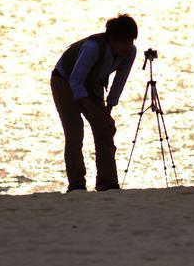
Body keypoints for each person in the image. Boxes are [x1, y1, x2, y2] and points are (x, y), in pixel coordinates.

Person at [50, 14, 138, 192]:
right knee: (75, 132)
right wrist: (94, 111)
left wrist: (108, 110)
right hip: (64, 81)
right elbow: (75, 81)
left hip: (93, 85)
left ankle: (107, 183)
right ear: (111, 39)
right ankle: (76, 185)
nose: (127, 47)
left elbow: (119, 81)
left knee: (105, 128)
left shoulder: (130, 52)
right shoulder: (92, 47)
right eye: (123, 42)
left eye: (130, 41)